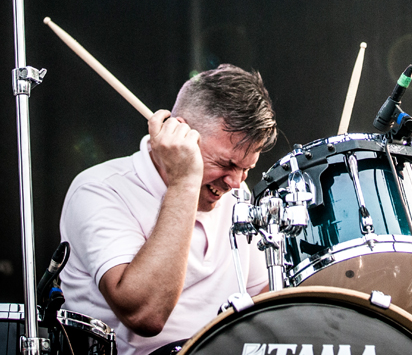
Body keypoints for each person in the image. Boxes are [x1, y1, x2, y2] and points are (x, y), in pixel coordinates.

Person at [58, 65, 278, 355]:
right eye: (226, 164)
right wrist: (183, 182)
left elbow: (263, 302)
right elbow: (145, 314)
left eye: (246, 169)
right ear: (179, 135)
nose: (236, 183)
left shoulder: (238, 197)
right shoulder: (98, 189)